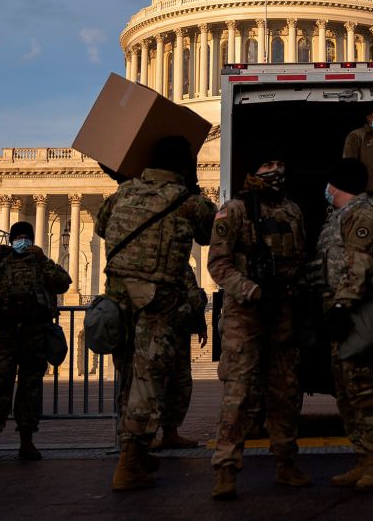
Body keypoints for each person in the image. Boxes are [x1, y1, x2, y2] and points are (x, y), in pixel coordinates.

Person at [98, 136, 215, 492]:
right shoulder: (188, 201)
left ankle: (134, 450)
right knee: (148, 382)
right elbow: (211, 234)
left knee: (129, 379)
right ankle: (129, 462)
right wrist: (194, 188)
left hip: (117, 301)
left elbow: (103, 226)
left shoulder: (122, 193)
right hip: (156, 304)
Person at [208, 153, 310, 500]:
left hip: (282, 310)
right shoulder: (234, 210)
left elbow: (299, 258)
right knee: (238, 395)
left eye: (280, 164)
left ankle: (286, 462)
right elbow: (218, 264)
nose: (276, 170)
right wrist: (249, 289)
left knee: (285, 392)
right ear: (253, 171)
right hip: (245, 313)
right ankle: (226, 468)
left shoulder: (292, 211)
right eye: (267, 165)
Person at [314, 158, 373, 491]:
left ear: (337, 185)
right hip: (341, 309)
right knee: (347, 394)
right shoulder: (341, 216)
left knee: (365, 393)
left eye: (330, 184)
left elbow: (359, 266)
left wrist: (342, 306)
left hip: (357, 312)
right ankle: (362, 458)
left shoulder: (362, 214)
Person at [0, 220, 71, 463]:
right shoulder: (0, 263)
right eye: (19, 237)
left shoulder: (40, 263)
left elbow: (63, 281)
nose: (22, 241)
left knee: (30, 389)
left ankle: (27, 441)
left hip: (33, 334)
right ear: (11, 239)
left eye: (26, 237)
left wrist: (43, 258)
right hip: (4, 334)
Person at [155, 263, 206, 452]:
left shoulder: (182, 263)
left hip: (180, 331)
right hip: (157, 331)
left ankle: (170, 433)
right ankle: (147, 435)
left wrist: (200, 324)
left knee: (180, 382)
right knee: (156, 382)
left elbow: (194, 294)